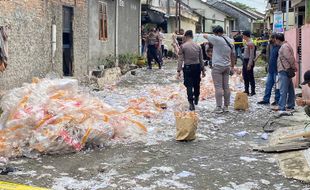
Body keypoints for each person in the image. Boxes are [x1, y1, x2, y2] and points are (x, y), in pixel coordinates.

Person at [203, 25, 235, 113]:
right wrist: (232, 66)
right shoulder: (230, 40)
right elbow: (233, 55)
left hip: (217, 66)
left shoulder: (217, 39)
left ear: (217, 33)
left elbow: (205, 35)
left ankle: (218, 107)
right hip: (227, 66)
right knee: (226, 87)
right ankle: (226, 106)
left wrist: (212, 36)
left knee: (218, 87)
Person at [177, 30, 206, 111]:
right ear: (192, 36)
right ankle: (196, 96)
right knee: (197, 84)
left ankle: (191, 103)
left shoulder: (183, 46)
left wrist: (178, 71)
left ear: (186, 36)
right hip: (197, 67)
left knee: (189, 85)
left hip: (187, 67)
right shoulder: (198, 46)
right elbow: (201, 59)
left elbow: (180, 60)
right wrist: (203, 70)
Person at [257, 33, 281, 106]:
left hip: (277, 70)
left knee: (277, 87)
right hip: (270, 69)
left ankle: (277, 100)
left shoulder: (279, 47)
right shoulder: (270, 46)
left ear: (275, 39)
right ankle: (266, 99)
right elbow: (268, 55)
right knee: (268, 85)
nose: (270, 39)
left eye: (271, 38)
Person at [275, 33, 296, 113]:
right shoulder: (286, 45)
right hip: (287, 69)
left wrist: (293, 67)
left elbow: (290, 58)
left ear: (277, 39)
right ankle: (290, 105)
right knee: (290, 89)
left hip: (284, 70)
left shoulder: (284, 47)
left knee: (283, 89)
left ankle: (282, 107)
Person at [242, 30, 256, 96]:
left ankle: (253, 91)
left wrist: (249, 64)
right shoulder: (246, 42)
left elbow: (252, 55)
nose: (242, 36)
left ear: (245, 35)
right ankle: (246, 90)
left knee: (250, 76)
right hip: (245, 60)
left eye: (243, 35)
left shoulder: (251, 43)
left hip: (248, 61)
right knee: (245, 76)